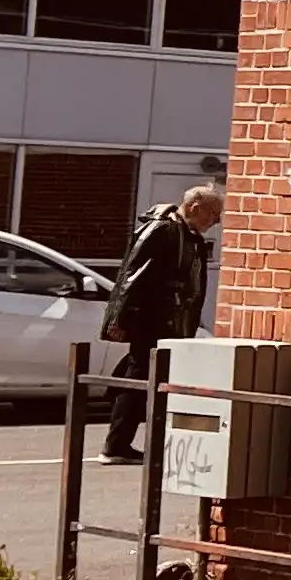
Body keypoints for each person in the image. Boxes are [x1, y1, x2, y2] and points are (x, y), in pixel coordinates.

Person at [98, 184, 222, 464]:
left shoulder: (189, 236)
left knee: (147, 380)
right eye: (213, 213)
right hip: (153, 321)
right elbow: (132, 276)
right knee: (139, 378)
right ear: (194, 206)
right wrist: (119, 319)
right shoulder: (163, 231)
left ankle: (127, 444)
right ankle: (116, 445)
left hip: (171, 321)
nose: (215, 221)